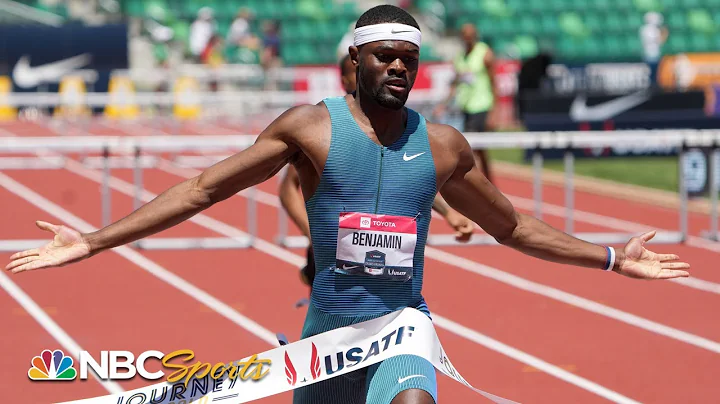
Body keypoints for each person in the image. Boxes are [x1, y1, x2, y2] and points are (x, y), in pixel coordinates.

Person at [5, 5, 691, 404]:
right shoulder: (309, 127)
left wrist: (609, 257)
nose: (398, 68)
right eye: (384, 57)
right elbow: (202, 188)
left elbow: (512, 227)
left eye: (408, 61)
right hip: (326, 339)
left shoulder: (446, 146)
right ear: (354, 65)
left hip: (402, 328)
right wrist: (93, 240)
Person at [280, 54, 474, 293]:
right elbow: (288, 188)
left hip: (384, 249)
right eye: (358, 72)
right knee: (332, 315)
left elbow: (407, 180)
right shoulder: (326, 128)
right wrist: (310, 232)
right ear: (345, 79)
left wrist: (448, 213)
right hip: (332, 248)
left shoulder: (393, 131)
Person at [434, 23, 496, 183]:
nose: (468, 39)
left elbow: (494, 82)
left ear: (475, 36)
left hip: (482, 104)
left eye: (470, 35)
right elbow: (456, 84)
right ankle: (488, 181)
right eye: (465, 35)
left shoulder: (485, 53)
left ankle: (476, 183)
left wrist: (494, 111)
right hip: (466, 106)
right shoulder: (460, 58)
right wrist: (444, 104)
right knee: (480, 149)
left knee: (471, 147)